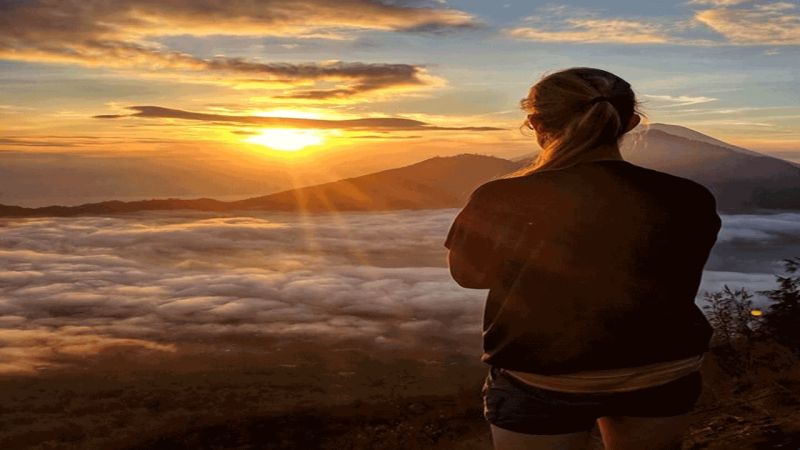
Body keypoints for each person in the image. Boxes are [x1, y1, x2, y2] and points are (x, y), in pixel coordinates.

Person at [443, 67, 722, 449]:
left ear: (534, 123)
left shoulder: (501, 198)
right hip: (662, 369)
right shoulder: (689, 197)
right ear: (631, 122)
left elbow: (469, 275)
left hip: (542, 376)